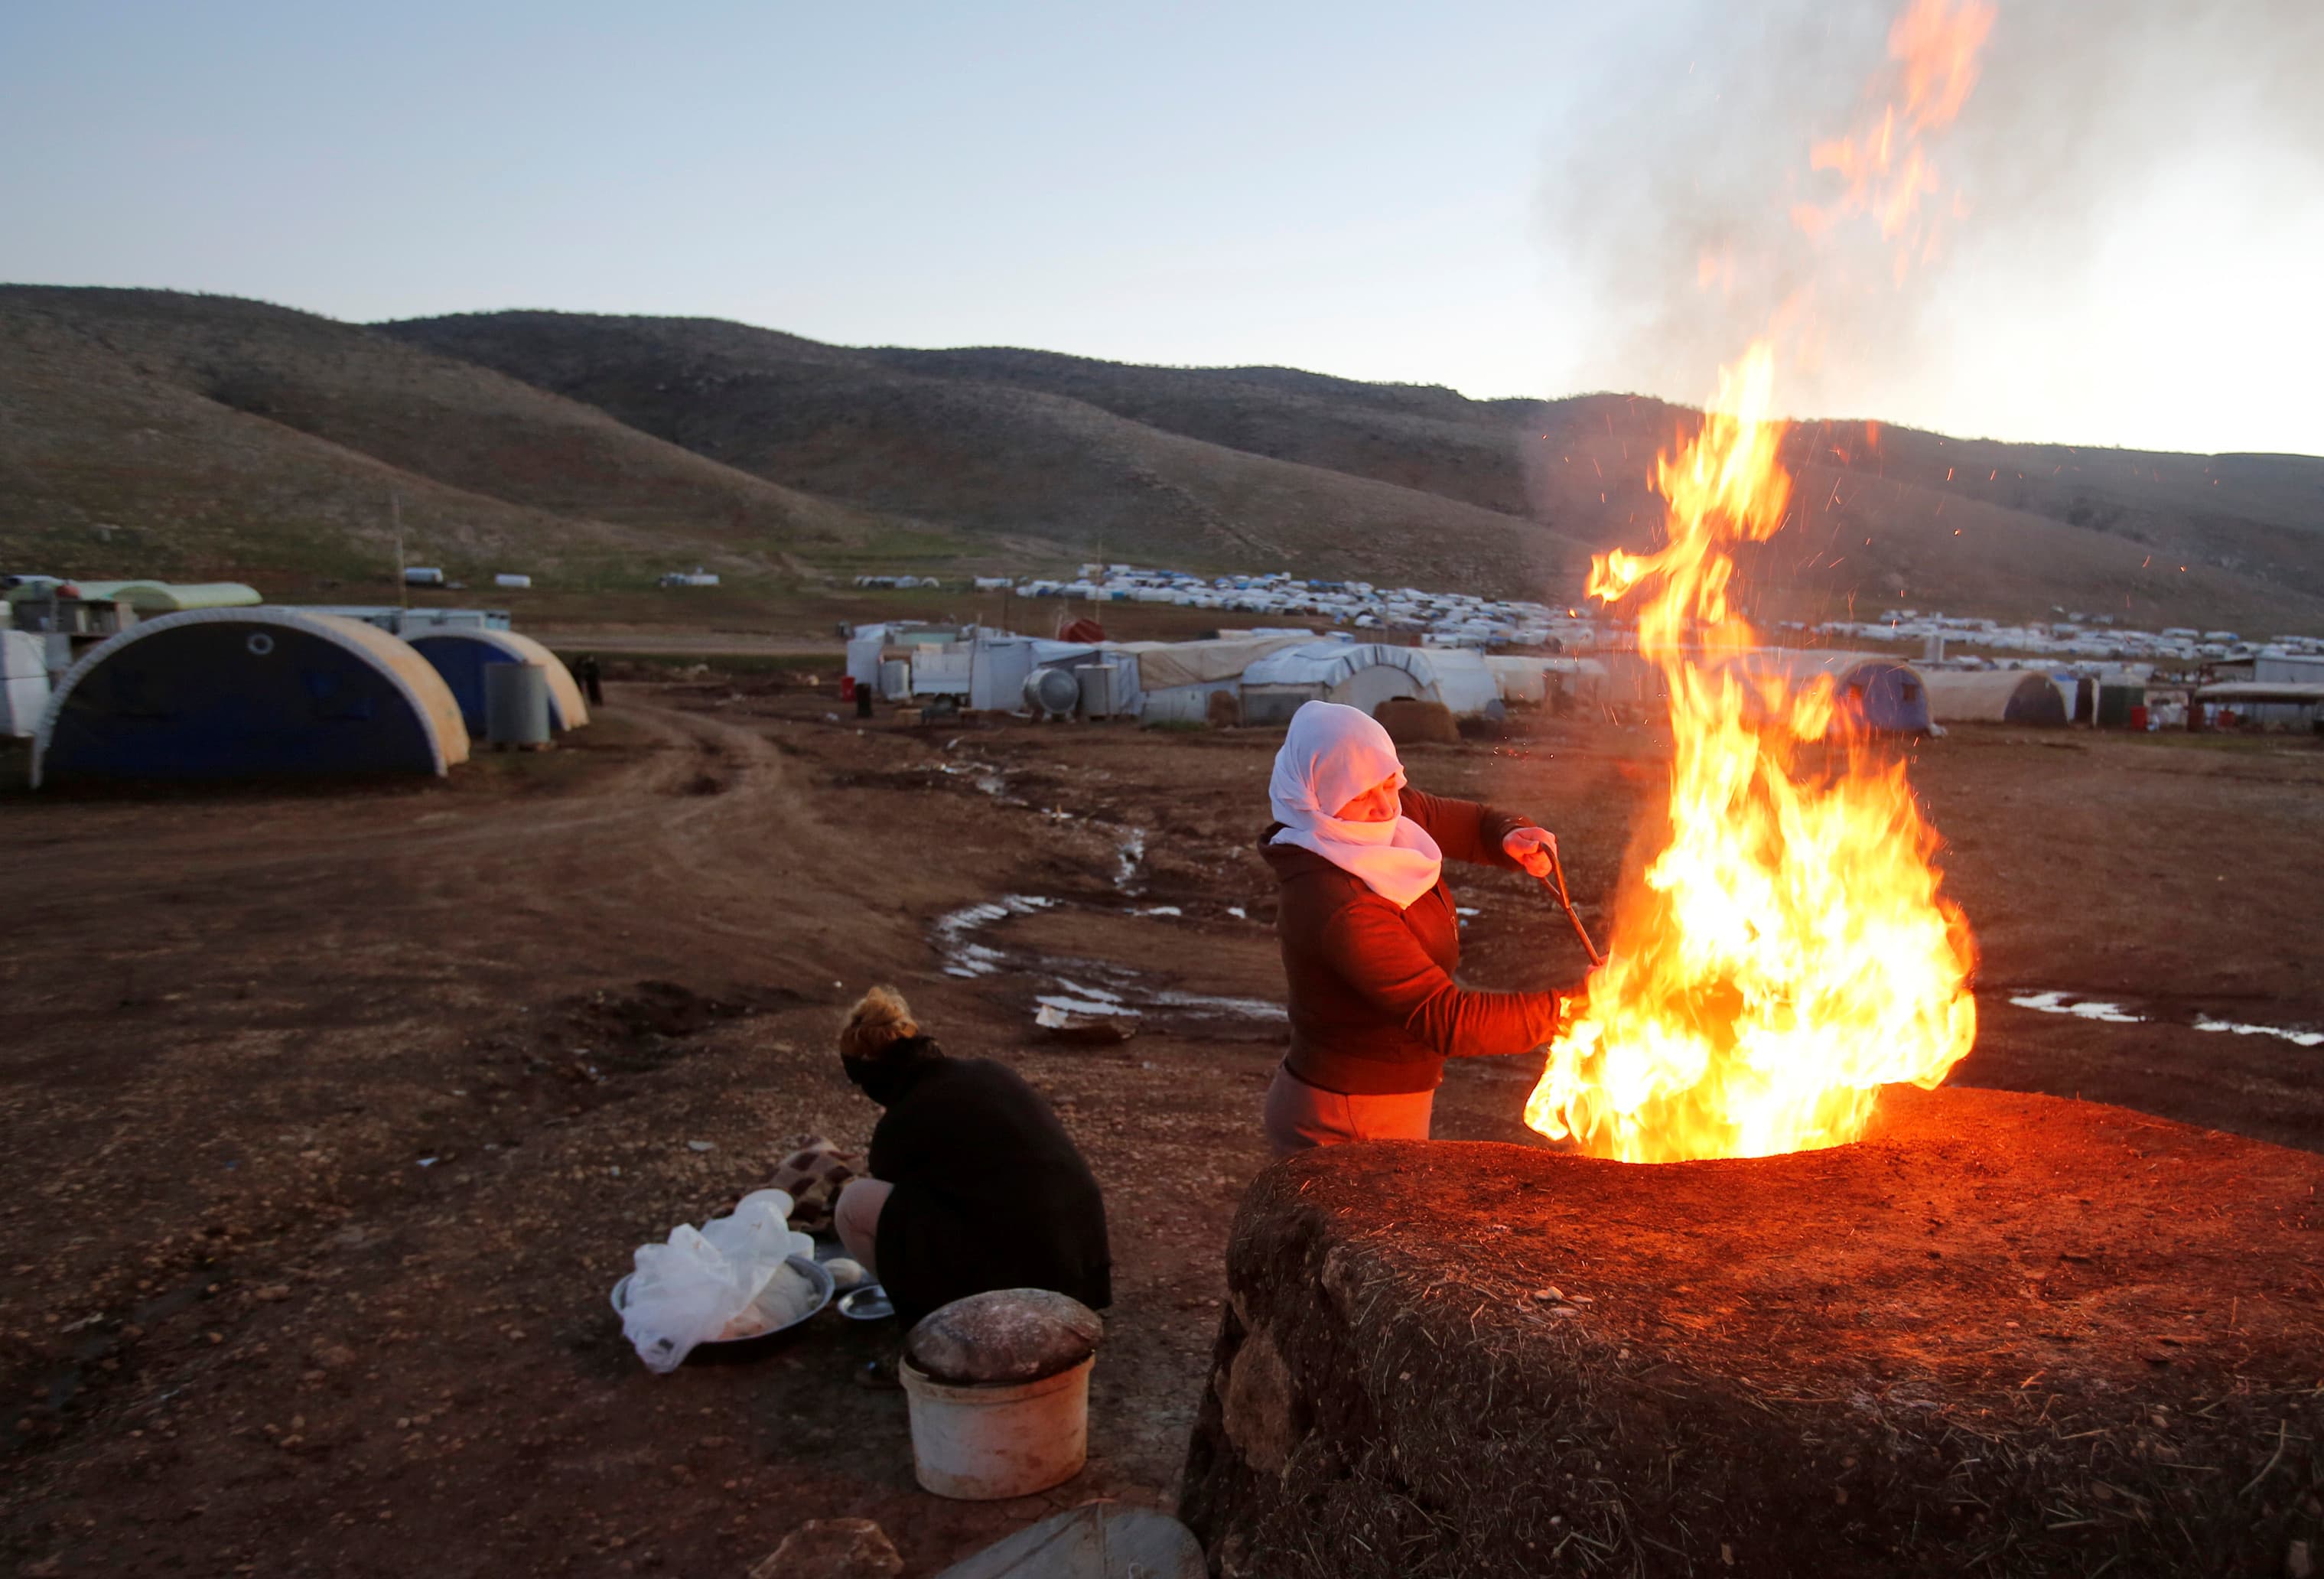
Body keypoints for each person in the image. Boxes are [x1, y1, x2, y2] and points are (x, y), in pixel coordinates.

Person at [1261, 700, 1566, 1156]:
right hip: (1348, 1115)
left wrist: (1509, 836)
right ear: (1315, 797)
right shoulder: (1337, 901)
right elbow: (1444, 1018)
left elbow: (1472, 823)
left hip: (1391, 1099)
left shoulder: (1383, 824)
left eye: (1390, 784)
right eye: (1361, 796)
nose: (1385, 808)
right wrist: (1573, 1010)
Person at [831, 986, 1112, 1328]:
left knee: (854, 1203)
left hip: (1023, 1294)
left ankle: (934, 1324)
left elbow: (897, 1202)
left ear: (873, 1074)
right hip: (1082, 1272)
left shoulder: (901, 1122)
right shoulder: (987, 1071)